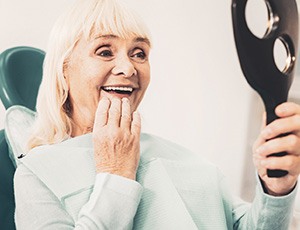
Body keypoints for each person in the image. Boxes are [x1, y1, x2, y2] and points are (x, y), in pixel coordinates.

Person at [13, 0, 300, 229]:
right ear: (64, 69)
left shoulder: (186, 160)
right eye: (104, 51)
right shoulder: (37, 173)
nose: (128, 68)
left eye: (139, 53)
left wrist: (276, 189)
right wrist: (116, 175)